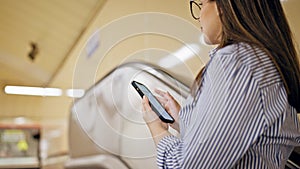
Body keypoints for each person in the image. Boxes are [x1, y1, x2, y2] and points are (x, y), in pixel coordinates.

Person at [141, 0, 300, 168]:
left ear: (221, 6)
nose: (199, 16)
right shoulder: (261, 61)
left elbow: (191, 166)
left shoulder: (237, 63)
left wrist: (157, 129)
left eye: (201, 4)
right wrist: (184, 120)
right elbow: (239, 138)